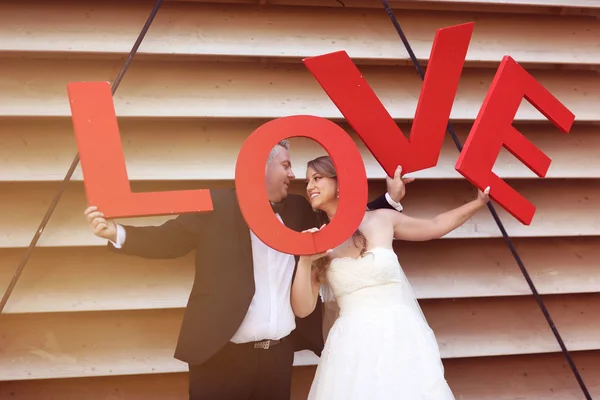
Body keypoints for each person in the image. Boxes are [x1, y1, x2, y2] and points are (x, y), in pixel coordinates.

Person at [83, 140, 411, 400]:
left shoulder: (299, 210)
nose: (293, 175)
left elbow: (345, 218)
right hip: (220, 358)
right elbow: (169, 240)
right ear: (261, 167)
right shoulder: (217, 206)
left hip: (277, 359)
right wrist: (117, 234)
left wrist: (389, 199)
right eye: (286, 165)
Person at [291, 155, 491, 400]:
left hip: (398, 336)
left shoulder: (382, 219)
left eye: (317, 178)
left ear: (340, 182)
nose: (309, 186)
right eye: (307, 181)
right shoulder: (318, 241)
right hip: (351, 347)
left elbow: (435, 224)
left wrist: (478, 202)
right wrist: (304, 261)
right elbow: (302, 309)